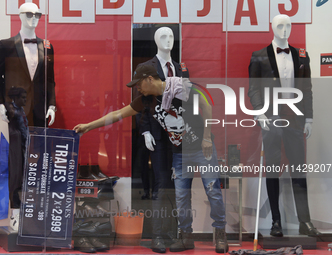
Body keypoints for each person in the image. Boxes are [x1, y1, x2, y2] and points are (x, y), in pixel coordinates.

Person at [74, 64, 228, 253]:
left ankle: (220, 234)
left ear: (149, 79)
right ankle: (186, 237)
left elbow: (206, 105)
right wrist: (89, 126)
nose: (137, 89)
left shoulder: (180, 87)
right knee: (181, 197)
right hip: (180, 153)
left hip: (202, 149)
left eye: (138, 85)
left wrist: (206, 137)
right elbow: (118, 114)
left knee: (212, 190)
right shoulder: (146, 101)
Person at [248, 14, 321, 237]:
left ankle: (305, 221)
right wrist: (260, 113)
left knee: (299, 170)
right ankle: (276, 222)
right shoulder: (259, 56)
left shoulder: (301, 55)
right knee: (272, 170)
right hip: (271, 121)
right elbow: (253, 89)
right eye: (280, 25)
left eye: (289, 25)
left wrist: (308, 118)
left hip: (295, 120)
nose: (285, 29)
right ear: (272, 27)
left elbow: (306, 89)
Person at [134, 26, 187, 253]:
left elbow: (187, 101)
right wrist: (145, 130)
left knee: (177, 185)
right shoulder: (145, 67)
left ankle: (172, 233)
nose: (168, 40)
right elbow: (140, 103)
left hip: (178, 134)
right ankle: (157, 235)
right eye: (163, 37)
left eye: (171, 36)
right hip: (156, 134)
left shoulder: (181, 68)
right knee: (160, 183)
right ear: (156, 40)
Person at [0, 2, 56, 127]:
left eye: (37, 15)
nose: (33, 18)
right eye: (28, 14)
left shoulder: (47, 47)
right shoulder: (6, 45)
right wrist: (0, 104)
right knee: (18, 146)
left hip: (41, 109)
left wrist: (52, 105)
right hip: (15, 108)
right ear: (20, 16)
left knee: (40, 146)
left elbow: (50, 80)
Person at [4, 87, 29, 230]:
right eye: (23, 98)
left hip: (23, 147)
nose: (25, 100)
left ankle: (22, 209)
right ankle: (15, 211)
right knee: (15, 179)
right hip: (16, 148)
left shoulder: (21, 110)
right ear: (16, 98)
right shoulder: (13, 111)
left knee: (23, 179)